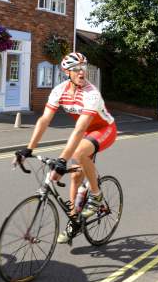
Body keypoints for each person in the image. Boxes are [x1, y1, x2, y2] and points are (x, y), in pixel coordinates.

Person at [14, 52, 117, 244]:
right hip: (86, 133)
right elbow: (44, 120)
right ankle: (74, 220)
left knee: (77, 153)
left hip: (104, 129)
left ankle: (96, 196)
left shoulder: (91, 94)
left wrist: (62, 160)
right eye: (76, 69)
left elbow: (79, 129)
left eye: (84, 67)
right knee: (76, 176)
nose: (81, 72)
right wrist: (28, 149)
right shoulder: (59, 91)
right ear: (66, 72)